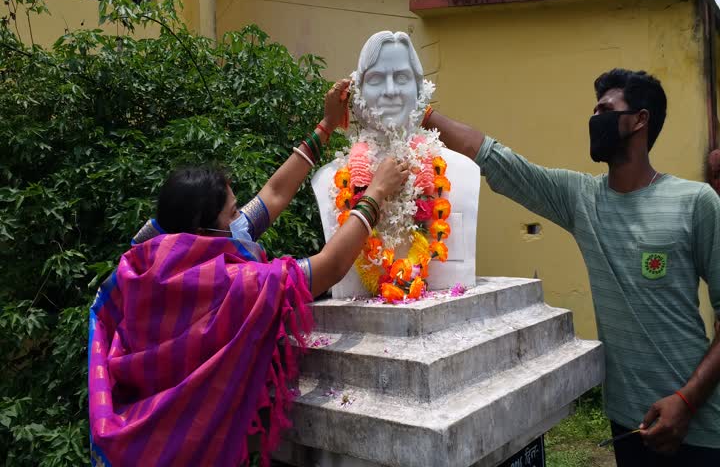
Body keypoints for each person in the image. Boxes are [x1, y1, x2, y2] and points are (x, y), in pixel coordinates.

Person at [88, 79, 409, 467]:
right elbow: (329, 267)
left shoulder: (141, 267)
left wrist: (324, 127)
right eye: (232, 211)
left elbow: (273, 195)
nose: (241, 217)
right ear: (205, 228)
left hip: (132, 440)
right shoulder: (234, 285)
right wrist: (376, 193)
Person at [422, 68, 720, 465]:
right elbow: (497, 158)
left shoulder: (696, 202)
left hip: (696, 423)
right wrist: (422, 116)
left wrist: (686, 401)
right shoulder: (582, 199)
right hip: (629, 423)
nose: (595, 119)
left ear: (640, 120)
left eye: (606, 109)